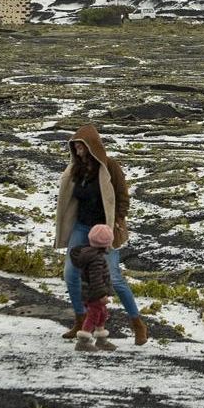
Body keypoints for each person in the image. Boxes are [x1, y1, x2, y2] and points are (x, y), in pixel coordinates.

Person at [54, 124, 148, 344]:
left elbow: (123, 196)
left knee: (114, 278)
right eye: (75, 147)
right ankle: (80, 319)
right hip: (81, 227)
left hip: (105, 230)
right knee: (70, 274)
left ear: (92, 146)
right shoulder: (76, 169)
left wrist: (117, 221)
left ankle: (137, 324)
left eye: (81, 147)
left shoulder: (109, 166)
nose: (77, 151)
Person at [70, 223, 115, 352]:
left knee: (102, 314)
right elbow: (96, 279)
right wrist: (101, 295)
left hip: (91, 292)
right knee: (93, 315)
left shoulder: (91, 255)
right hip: (94, 293)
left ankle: (101, 339)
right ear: (107, 243)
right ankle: (83, 341)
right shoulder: (96, 259)